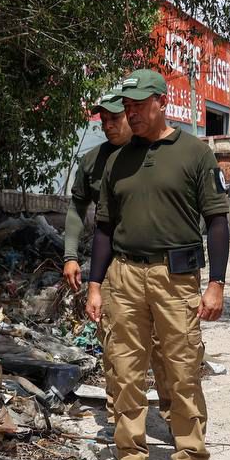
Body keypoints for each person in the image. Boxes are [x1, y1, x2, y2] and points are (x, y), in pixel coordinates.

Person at [84, 69, 230, 460]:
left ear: (161, 103)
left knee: (182, 369)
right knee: (123, 370)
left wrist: (217, 284)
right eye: (126, 107)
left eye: (138, 106)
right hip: (124, 277)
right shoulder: (116, 160)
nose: (131, 113)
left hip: (175, 278)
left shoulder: (194, 153)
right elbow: (104, 228)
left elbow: (217, 222)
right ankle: (130, 457)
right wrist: (95, 284)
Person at [62, 95, 170, 429]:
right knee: (115, 347)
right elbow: (77, 207)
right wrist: (70, 255)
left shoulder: (153, 152)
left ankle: (172, 415)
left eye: (116, 118)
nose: (109, 126)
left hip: (158, 266)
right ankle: (120, 419)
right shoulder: (93, 161)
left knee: (164, 347)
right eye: (104, 120)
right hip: (110, 267)